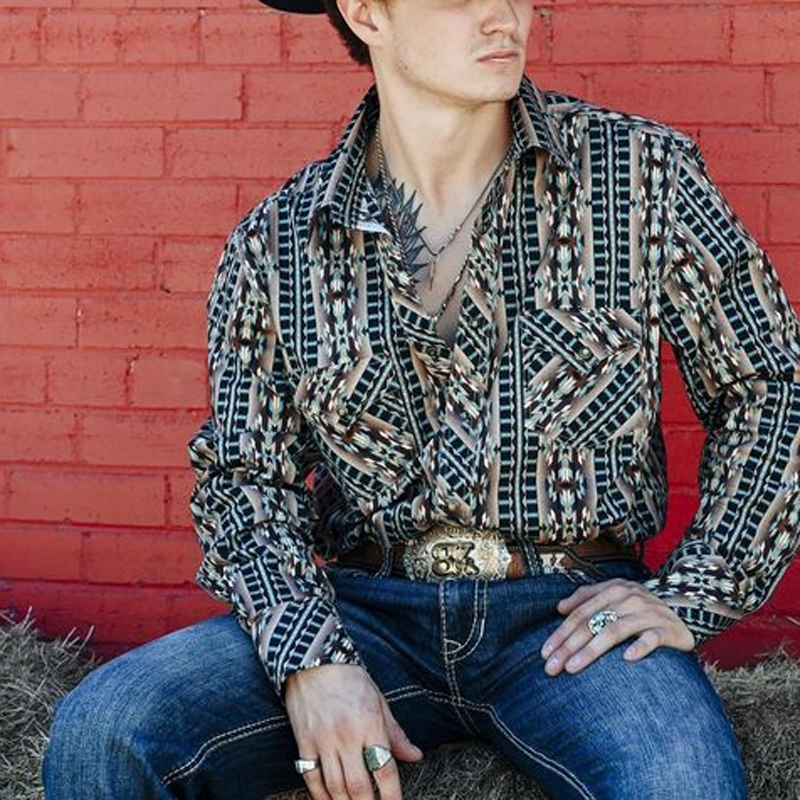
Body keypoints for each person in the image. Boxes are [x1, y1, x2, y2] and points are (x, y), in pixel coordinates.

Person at [44, 0, 799, 798]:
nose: (504, 14)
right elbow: (244, 476)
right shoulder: (278, 244)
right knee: (105, 728)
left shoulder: (639, 174)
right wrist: (310, 658)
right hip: (367, 611)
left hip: (569, 614)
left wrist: (695, 588)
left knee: (682, 781)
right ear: (367, 11)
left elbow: (769, 382)